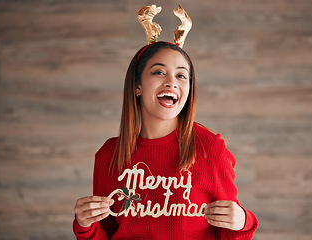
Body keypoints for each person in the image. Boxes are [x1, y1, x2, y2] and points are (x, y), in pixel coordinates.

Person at [73, 5, 258, 240]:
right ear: (137, 86)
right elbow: (106, 232)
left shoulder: (210, 149)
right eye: (159, 72)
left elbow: (231, 233)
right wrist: (85, 224)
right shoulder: (109, 155)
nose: (172, 82)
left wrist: (243, 221)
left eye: (181, 75)